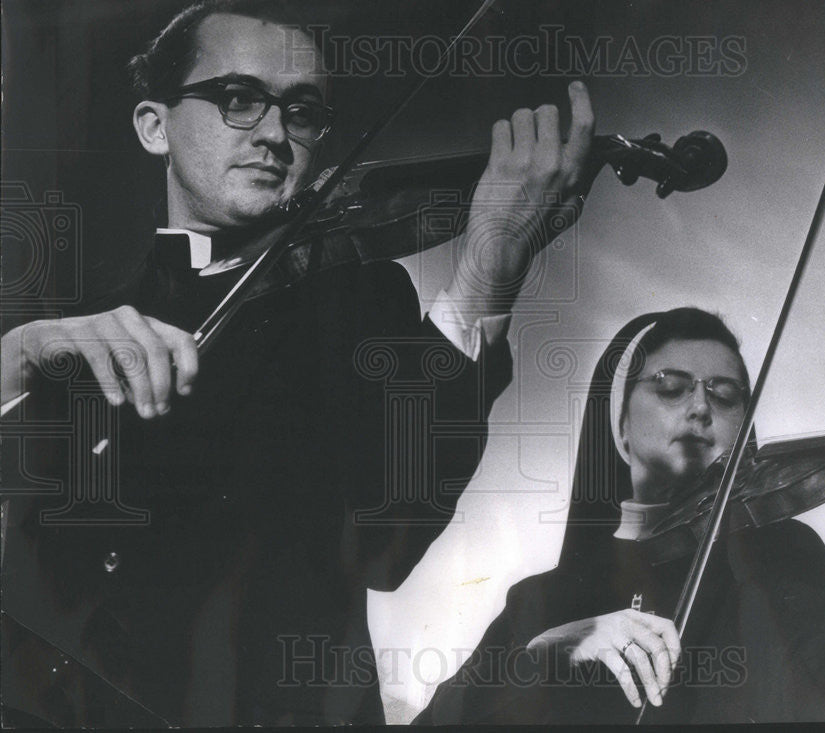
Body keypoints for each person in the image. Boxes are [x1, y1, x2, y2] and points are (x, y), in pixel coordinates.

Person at [0, 0, 594, 726]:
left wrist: (483, 280)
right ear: (155, 126)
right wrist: (18, 358)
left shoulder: (356, 303)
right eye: (239, 99)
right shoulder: (68, 331)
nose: (275, 134)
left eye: (302, 111)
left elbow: (388, 540)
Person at [416, 308, 825, 724]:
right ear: (620, 430)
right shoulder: (541, 598)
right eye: (670, 386)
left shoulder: (781, 557)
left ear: (745, 435)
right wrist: (548, 651)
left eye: (725, 394)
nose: (699, 407)